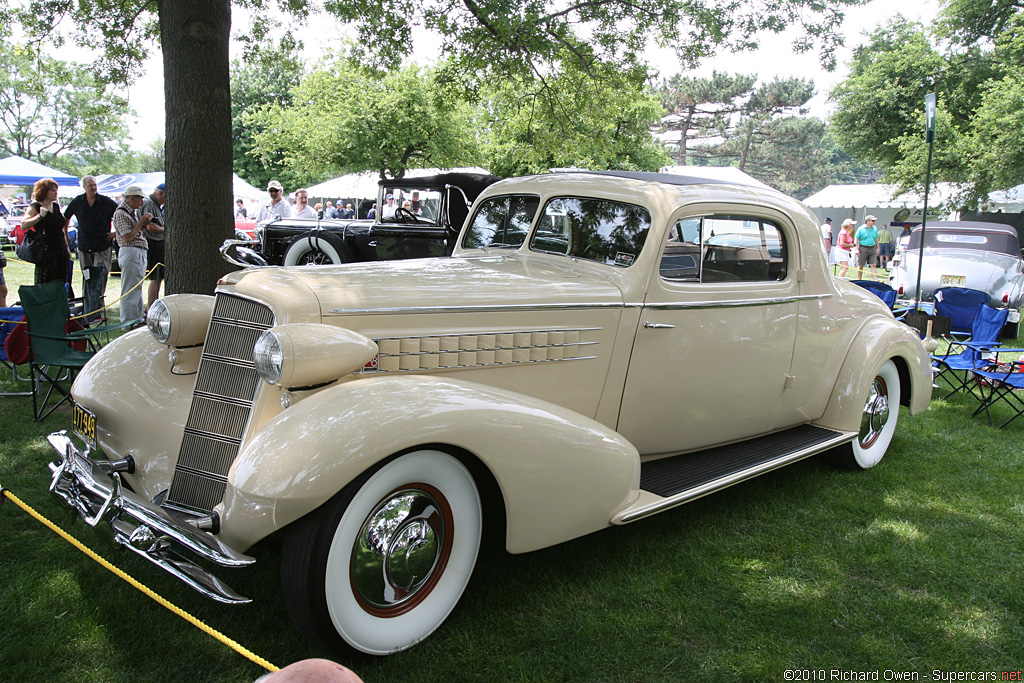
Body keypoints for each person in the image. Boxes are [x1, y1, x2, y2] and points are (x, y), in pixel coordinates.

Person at [63, 175, 118, 322]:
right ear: (84, 187)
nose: (93, 188)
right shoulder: (77, 202)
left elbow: (120, 215)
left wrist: (115, 233)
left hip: (102, 245)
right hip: (84, 245)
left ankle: (99, 305)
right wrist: (65, 233)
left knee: (101, 274)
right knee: (87, 276)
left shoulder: (105, 202)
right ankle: (88, 306)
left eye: (95, 185)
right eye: (90, 185)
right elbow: (66, 216)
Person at [21, 178, 72, 288]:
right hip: (46, 251)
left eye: (56, 190)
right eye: (53, 190)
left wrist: (66, 247)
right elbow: (24, 224)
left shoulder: (55, 206)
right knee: (46, 282)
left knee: (61, 280)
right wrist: (40, 216)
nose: (56, 193)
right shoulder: (36, 206)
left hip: (60, 249)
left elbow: (61, 227)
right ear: (44, 191)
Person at [113, 185, 153, 324]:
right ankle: (129, 320)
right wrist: (141, 223)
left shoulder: (130, 213)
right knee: (130, 287)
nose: (141, 203)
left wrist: (142, 224)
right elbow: (127, 237)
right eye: (139, 200)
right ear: (131, 198)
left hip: (137, 251)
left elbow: (135, 232)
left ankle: (136, 317)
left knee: (137, 286)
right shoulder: (121, 214)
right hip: (130, 251)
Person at [142, 183, 166, 314]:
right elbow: (150, 226)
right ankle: (150, 309)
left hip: (159, 243)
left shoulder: (157, 206)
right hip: (153, 243)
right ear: (160, 193)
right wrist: (168, 230)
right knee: (156, 277)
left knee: (160, 277)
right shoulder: (149, 204)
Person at [854, 214, 880, 280]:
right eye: (872, 221)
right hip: (863, 248)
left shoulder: (875, 228)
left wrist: (878, 247)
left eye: (874, 221)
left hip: (872, 248)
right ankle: (859, 279)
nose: (874, 222)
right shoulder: (861, 229)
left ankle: (875, 280)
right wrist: (856, 249)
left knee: (873, 264)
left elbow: (877, 238)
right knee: (861, 265)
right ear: (868, 221)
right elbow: (856, 239)